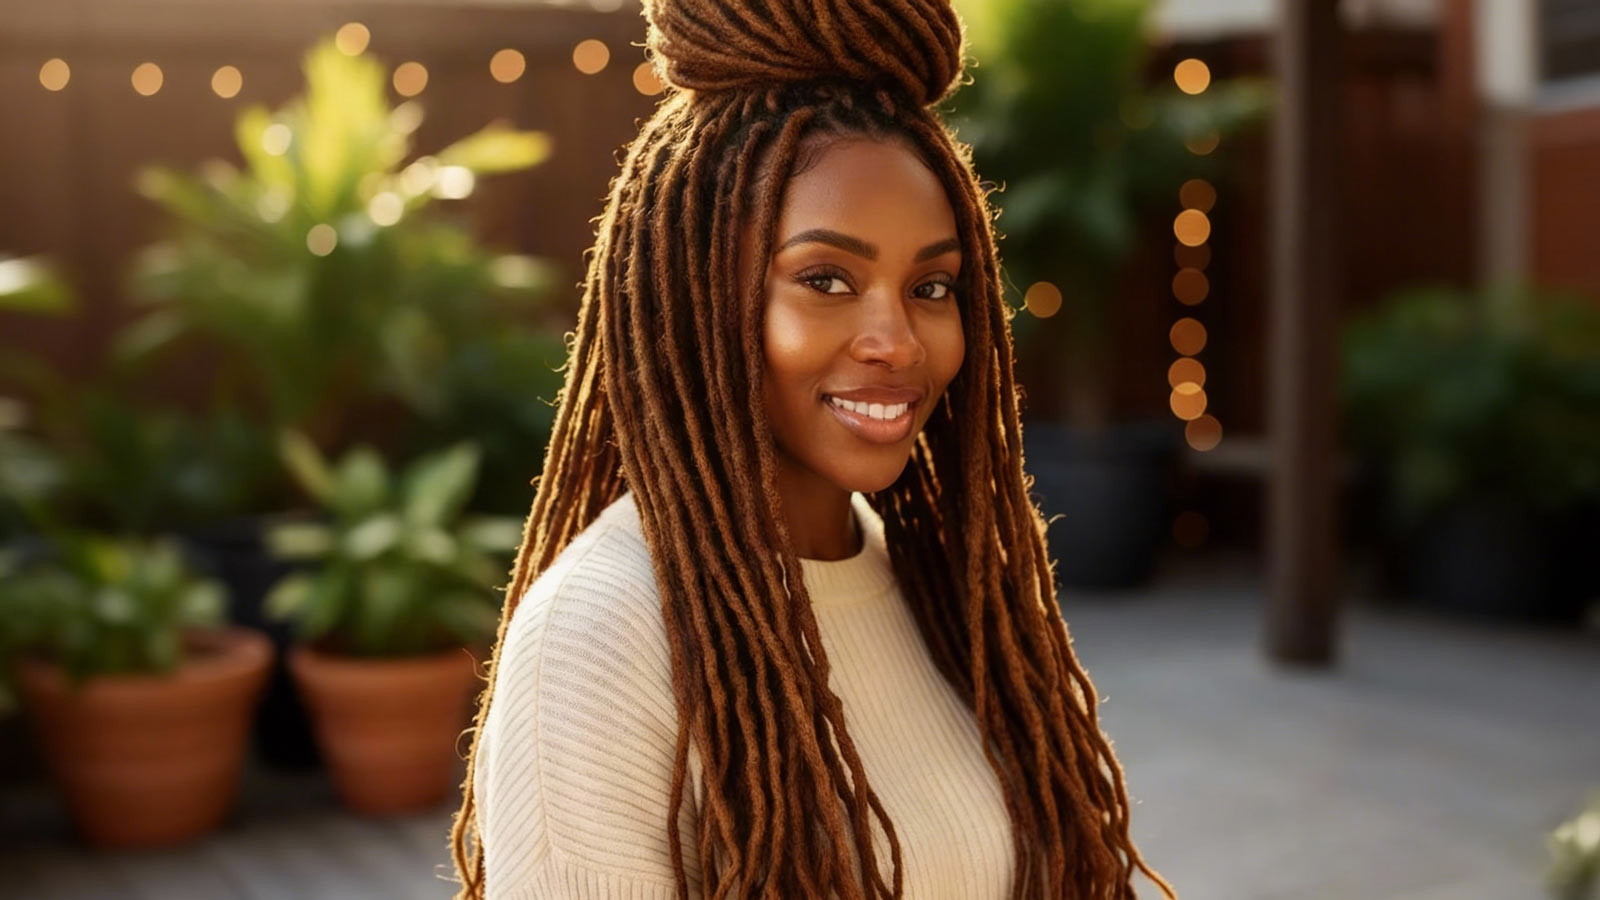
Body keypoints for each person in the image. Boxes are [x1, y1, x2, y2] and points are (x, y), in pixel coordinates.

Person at [449, 0, 1175, 897]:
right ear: (700, 299)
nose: (897, 340)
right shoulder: (598, 637)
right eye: (825, 279)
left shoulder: (937, 579)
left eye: (932, 285)